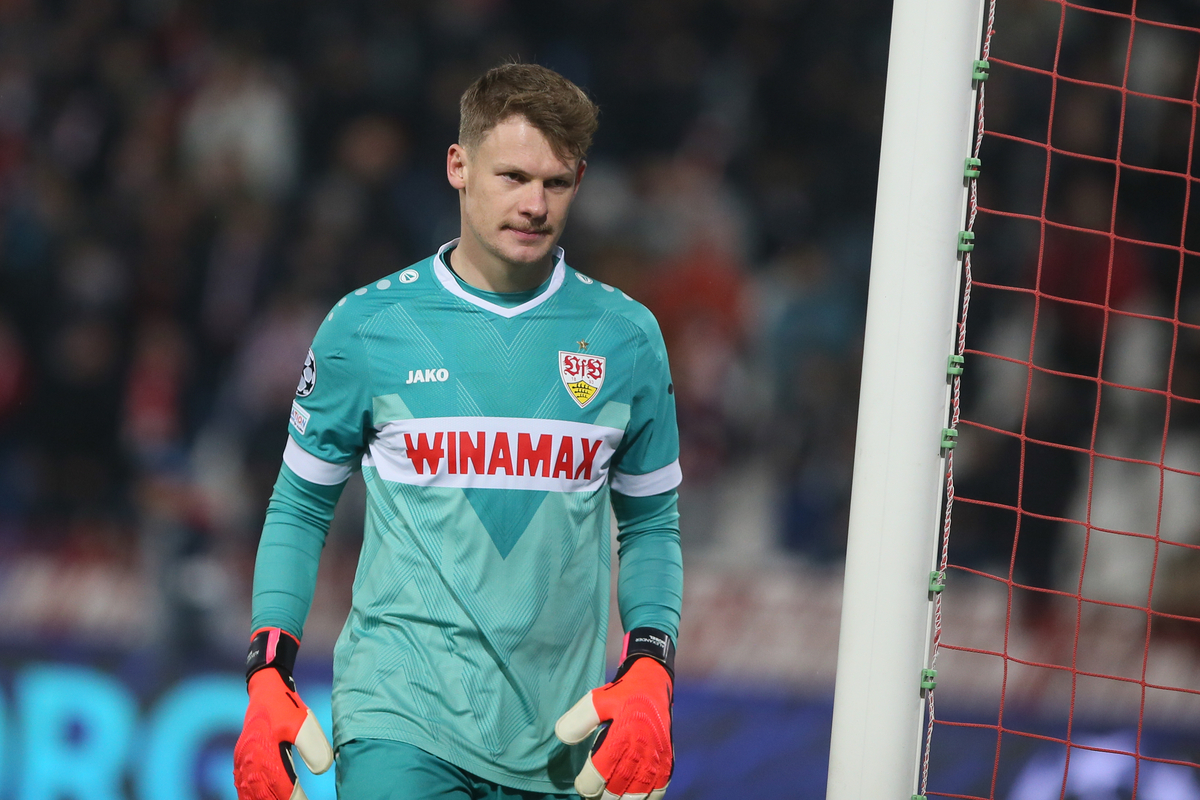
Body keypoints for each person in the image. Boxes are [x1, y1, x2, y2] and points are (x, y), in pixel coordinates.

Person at [232, 63, 684, 800]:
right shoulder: (367, 329)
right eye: (512, 177)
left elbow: (652, 524)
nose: (534, 204)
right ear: (459, 166)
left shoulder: (627, 339)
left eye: (557, 183)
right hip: (398, 718)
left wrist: (651, 667)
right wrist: (266, 673)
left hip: (559, 736)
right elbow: (300, 505)